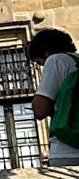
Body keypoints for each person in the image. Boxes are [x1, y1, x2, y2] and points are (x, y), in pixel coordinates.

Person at [28, 26, 79, 167]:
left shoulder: (56, 60)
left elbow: (40, 110)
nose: (43, 66)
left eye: (40, 62)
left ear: (46, 52)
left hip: (68, 150)